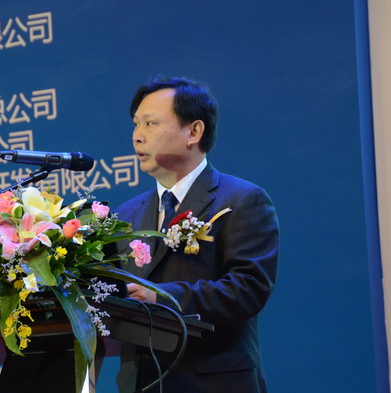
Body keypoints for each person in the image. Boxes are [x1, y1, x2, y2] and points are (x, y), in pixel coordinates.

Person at [115, 76, 279, 393]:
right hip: (144, 384)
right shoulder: (125, 216)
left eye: (150, 123)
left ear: (194, 132)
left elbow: (248, 288)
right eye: (136, 124)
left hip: (216, 381)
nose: (137, 136)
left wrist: (161, 297)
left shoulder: (241, 200)